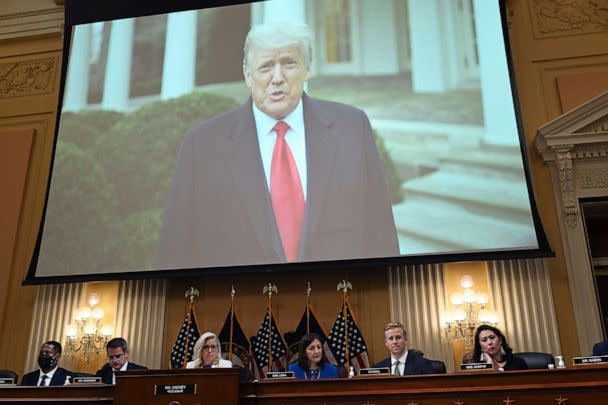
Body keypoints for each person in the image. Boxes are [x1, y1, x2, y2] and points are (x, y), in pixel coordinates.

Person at [156, 22, 399, 270]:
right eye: (265, 67)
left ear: (307, 68)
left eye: (289, 63)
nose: (278, 78)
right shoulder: (202, 147)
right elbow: (175, 252)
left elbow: (380, 234)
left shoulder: (352, 128)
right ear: (247, 75)